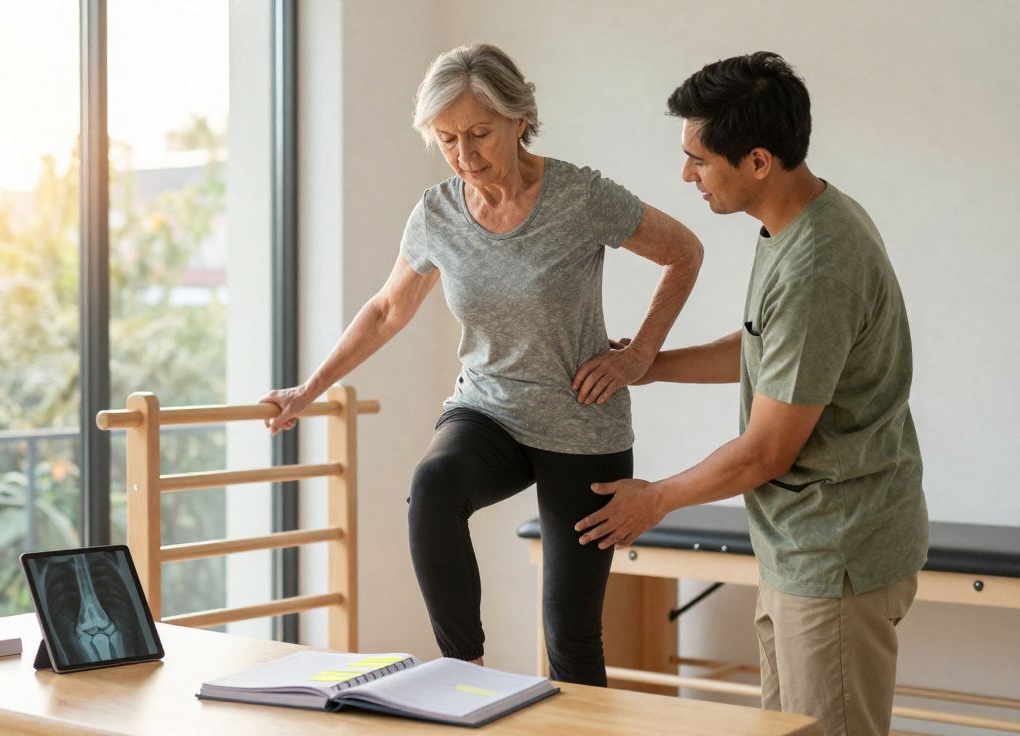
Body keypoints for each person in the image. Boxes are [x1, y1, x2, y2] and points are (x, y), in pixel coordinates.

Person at [260, 43, 703, 685]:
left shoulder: (580, 196)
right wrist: (308, 389)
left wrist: (638, 356)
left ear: (519, 119)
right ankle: (463, 675)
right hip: (486, 409)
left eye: (478, 134)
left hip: (582, 424)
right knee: (434, 489)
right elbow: (387, 309)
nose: (465, 156)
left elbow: (683, 252)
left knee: (571, 637)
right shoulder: (438, 212)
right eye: (446, 139)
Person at [576, 52, 928, 733]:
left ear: (759, 161)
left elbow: (764, 450)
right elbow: (774, 352)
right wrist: (649, 362)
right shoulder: (799, 225)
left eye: (700, 160)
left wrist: (653, 502)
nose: (686, 176)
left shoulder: (819, 265)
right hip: (804, 549)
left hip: (836, 557)